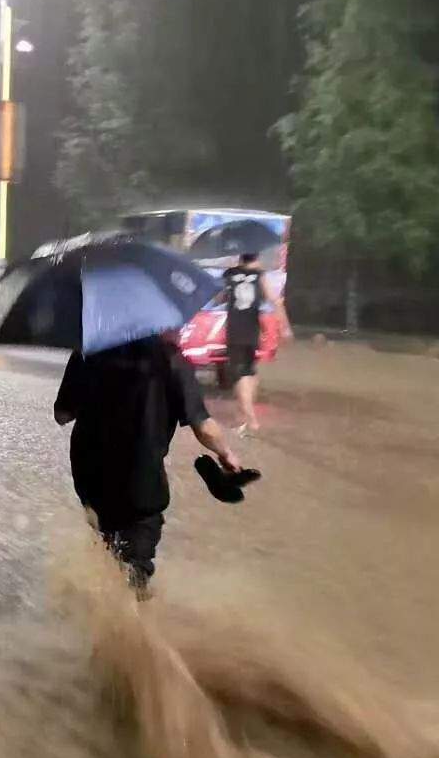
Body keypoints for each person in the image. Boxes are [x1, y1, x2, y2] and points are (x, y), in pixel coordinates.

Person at [54, 334, 241, 592]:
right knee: (136, 565)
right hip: (140, 478)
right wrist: (226, 454)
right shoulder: (171, 359)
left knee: (106, 540)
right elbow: (204, 428)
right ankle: (131, 622)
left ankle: (100, 607)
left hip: (89, 472)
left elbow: (62, 414)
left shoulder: (89, 350)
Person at [224, 250, 278, 434]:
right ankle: (245, 418)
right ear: (256, 257)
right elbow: (273, 299)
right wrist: (283, 327)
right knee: (250, 372)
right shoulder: (260, 275)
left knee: (240, 376)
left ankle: (250, 419)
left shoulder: (229, 274)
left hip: (235, 332)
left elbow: (219, 298)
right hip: (252, 332)